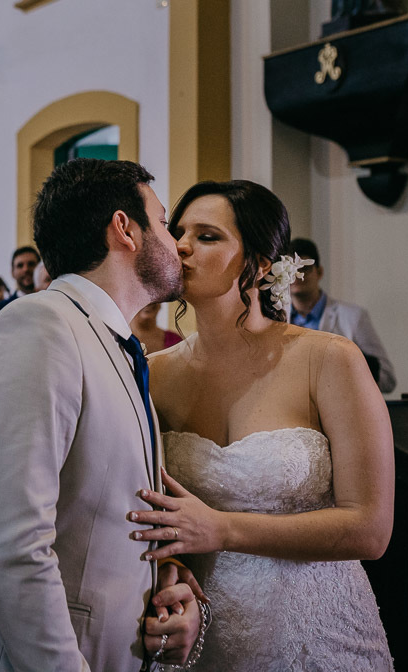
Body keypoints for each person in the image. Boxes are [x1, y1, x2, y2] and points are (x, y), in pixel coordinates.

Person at [0, 160, 202, 671]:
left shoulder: (114, 342)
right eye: (165, 223)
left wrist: (164, 578)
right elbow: (14, 547)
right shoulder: (38, 326)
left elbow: (103, 506)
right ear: (125, 229)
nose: (178, 243)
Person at [136, 180, 394, 669]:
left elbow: (371, 529)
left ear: (257, 265)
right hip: (203, 634)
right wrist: (171, 575)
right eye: (178, 231)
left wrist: (222, 529)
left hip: (317, 634)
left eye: (208, 236)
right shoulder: (155, 374)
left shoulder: (327, 359)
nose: (181, 245)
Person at [287, 236, 396, 393]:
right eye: (291, 270)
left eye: (305, 269)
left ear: (319, 272)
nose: (298, 276)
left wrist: (346, 367)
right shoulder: (273, 318)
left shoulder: (354, 317)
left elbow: (387, 379)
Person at [0, 245, 41, 329]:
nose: (26, 269)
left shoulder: (53, 302)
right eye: (20, 265)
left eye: (31, 264)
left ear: (40, 268)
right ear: (12, 272)